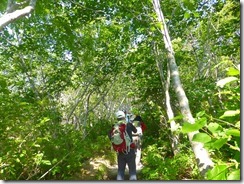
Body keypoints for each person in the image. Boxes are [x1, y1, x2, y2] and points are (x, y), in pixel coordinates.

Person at [108, 110, 138, 180]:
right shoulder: (128, 124)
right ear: (124, 117)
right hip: (130, 151)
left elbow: (110, 136)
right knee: (132, 172)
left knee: (120, 171)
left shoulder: (114, 127)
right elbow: (135, 131)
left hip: (120, 152)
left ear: (117, 118)